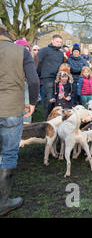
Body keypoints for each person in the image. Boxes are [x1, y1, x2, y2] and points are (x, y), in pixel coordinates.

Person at [0, 24, 39, 216]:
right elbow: (33, 80)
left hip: (9, 108)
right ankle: (3, 201)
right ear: (7, 34)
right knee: (8, 152)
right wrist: (32, 103)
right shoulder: (20, 51)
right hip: (11, 108)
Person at [37, 34, 65, 119]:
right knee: (49, 99)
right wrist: (38, 74)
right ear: (52, 41)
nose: (59, 43)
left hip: (58, 79)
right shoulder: (44, 50)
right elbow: (38, 63)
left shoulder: (61, 53)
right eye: (57, 41)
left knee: (57, 99)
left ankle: (55, 118)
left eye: (60, 42)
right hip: (48, 77)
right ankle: (46, 119)